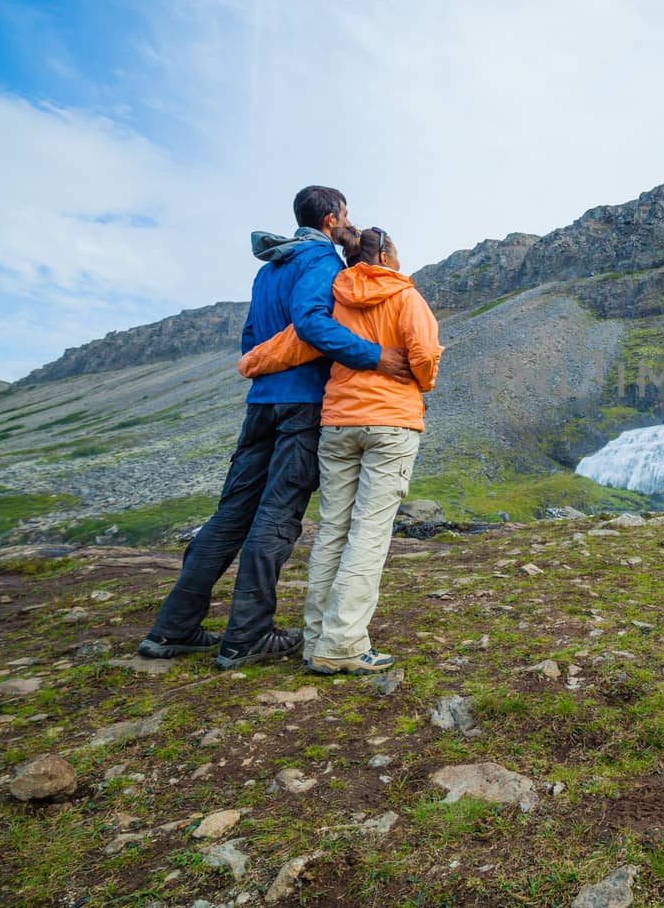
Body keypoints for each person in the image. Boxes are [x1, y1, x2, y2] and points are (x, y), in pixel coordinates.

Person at [138, 186, 414, 670]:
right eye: (346, 214)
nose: (350, 222)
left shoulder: (269, 269)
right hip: (302, 404)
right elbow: (311, 324)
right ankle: (246, 636)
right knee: (278, 517)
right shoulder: (320, 261)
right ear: (330, 219)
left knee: (231, 513)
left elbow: (251, 339)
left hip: (261, 401)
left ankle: (173, 629)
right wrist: (375, 357)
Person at [239, 226, 442, 674]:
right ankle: (345, 644)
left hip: (337, 425)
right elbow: (424, 353)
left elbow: (294, 342)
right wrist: (421, 381)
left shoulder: (335, 298)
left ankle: (316, 640)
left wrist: (249, 362)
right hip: (391, 424)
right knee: (369, 534)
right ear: (387, 255)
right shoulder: (406, 297)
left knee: (333, 529)